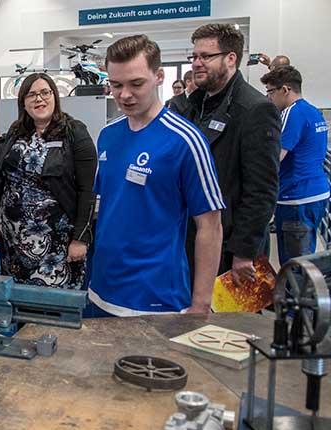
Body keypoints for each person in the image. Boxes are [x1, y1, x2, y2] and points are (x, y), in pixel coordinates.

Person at [88, 35, 224, 317]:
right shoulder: (107, 136)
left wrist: (200, 304)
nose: (125, 94)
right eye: (116, 85)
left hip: (157, 298)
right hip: (102, 291)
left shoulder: (185, 141)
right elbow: (110, 207)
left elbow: (210, 226)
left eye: (136, 84)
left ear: (159, 76)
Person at [182, 23, 281, 285]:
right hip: (192, 238)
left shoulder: (255, 110)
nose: (197, 63)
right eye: (194, 57)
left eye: (206, 56)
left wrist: (244, 252)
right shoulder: (194, 106)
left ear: (231, 58)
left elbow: (261, 190)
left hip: (228, 247)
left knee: (225, 322)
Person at [0, 73, 96, 289]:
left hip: (55, 244)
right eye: (31, 95)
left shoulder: (74, 132)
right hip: (13, 243)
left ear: (55, 96)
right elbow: (2, 180)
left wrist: (81, 238)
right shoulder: (16, 132)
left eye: (45, 93)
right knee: (19, 305)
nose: (39, 99)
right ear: (23, 103)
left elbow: (87, 189)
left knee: (52, 307)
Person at [261, 65, 329, 264]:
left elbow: (275, 157)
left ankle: (296, 296)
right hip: (316, 193)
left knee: (294, 267)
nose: (269, 98)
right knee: (306, 260)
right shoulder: (313, 111)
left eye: (270, 92)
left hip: (296, 197)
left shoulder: (292, 113)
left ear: (285, 90)